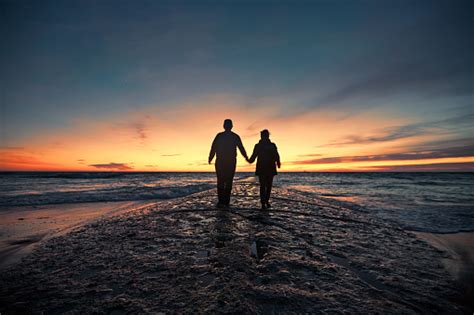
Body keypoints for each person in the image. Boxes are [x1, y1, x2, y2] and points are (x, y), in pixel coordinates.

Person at [209, 119, 249, 208]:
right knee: (227, 180)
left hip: (225, 161)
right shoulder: (232, 136)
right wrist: (246, 157)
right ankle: (225, 201)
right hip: (226, 161)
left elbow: (213, 147)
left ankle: (222, 201)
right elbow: (214, 147)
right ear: (231, 126)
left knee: (223, 180)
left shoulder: (223, 136)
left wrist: (210, 157)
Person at [247, 129, 281, 210]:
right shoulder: (258, 146)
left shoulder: (272, 145)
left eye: (265, 135)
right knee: (264, 185)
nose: (264, 137)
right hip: (263, 168)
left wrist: (278, 162)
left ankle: (266, 201)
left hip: (269, 167)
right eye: (263, 136)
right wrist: (249, 160)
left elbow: (276, 154)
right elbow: (254, 156)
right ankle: (263, 202)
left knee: (267, 186)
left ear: (267, 136)